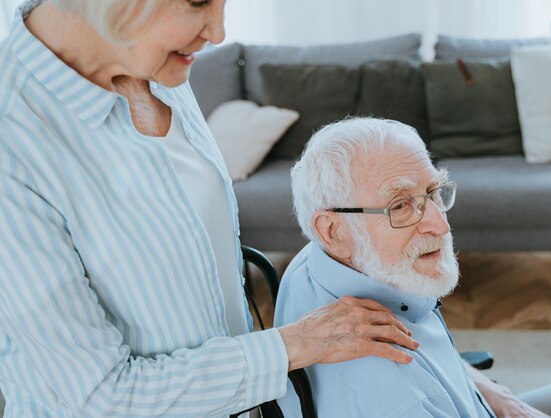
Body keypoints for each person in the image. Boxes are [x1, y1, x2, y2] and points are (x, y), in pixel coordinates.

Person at [0, 2, 419, 417]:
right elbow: (104, 399)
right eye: (197, 1)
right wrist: (296, 343)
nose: (217, 32)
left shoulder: (156, 64)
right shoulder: (13, 143)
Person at [275, 117, 551, 418]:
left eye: (433, 191)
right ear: (333, 230)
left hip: (477, 403)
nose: (439, 225)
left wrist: (493, 393)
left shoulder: (316, 262)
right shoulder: (400, 402)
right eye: (399, 205)